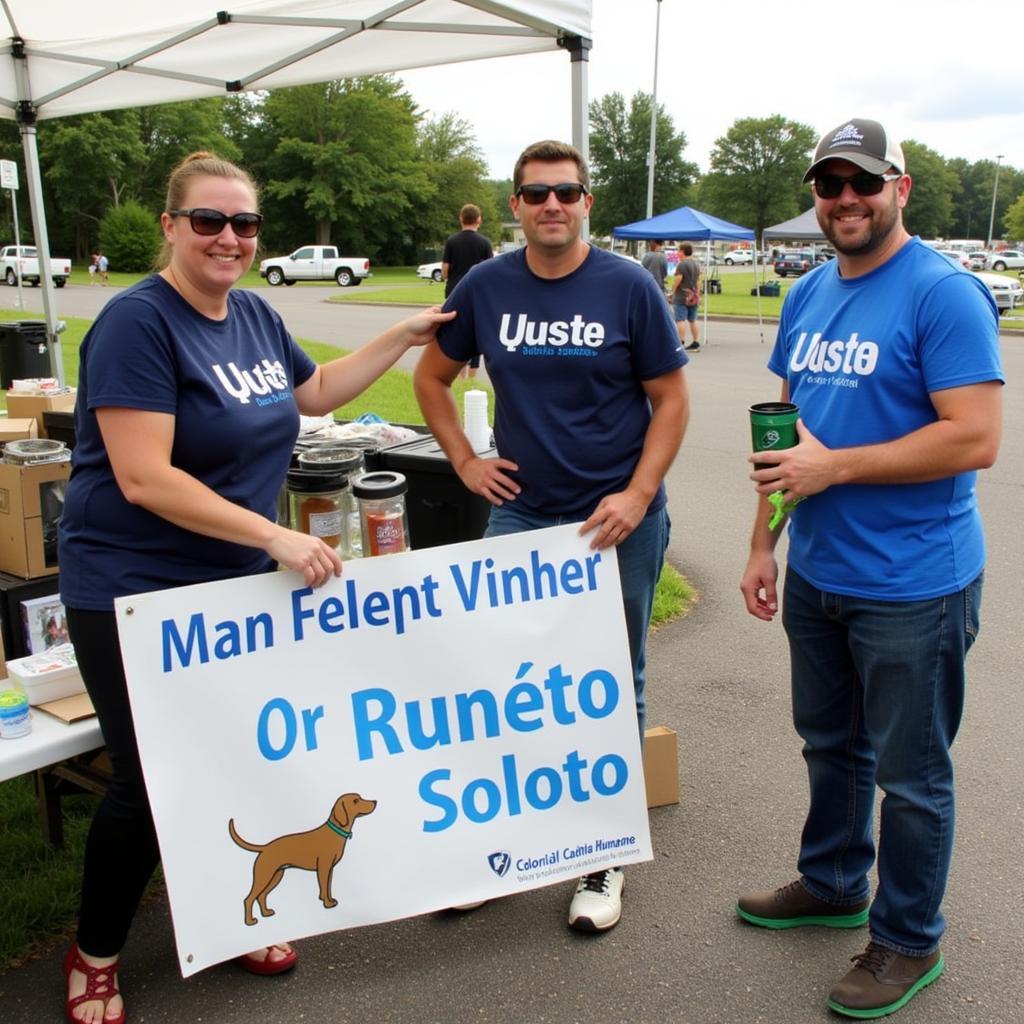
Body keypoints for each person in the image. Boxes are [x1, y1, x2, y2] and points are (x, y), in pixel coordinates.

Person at [58, 151, 452, 1024]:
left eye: (245, 224)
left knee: (238, 759)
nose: (229, 238)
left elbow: (313, 396)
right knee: (148, 779)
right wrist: (275, 534)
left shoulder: (254, 314)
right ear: (170, 225)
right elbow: (144, 478)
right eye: (208, 220)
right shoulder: (136, 324)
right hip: (133, 586)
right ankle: (95, 952)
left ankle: (226, 917)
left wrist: (400, 336)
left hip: (231, 583)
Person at [737, 118, 1004, 1019]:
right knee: (831, 746)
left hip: (915, 584)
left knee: (912, 776)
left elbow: (976, 437)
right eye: (828, 184)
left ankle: (906, 941)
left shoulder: (944, 292)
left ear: (901, 185)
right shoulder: (809, 293)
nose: (844, 198)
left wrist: (837, 467)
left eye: (862, 181)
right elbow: (781, 435)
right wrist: (762, 541)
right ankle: (832, 881)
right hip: (819, 573)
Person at [414, 139, 688, 934]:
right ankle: (509, 849)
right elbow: (432, 377)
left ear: (587, 202)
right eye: (536, 195)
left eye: (566, 193)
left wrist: (638, 495)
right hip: (524, 515)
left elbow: (671, 401)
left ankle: (600, 850)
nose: (552, 207)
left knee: (613, 678)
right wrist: (464, 459)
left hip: (617, 520)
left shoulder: (629, 286)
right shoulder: (487, 285)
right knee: (510, 683)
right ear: (515, 207)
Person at [441, 203, 492, 379]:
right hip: (478, 294)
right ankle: (472, 376)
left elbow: (445, 270)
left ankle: (460, 375)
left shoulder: (452, 241)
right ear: (479, 220)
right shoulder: (484, 243)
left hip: (454, 292)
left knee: (456, 334)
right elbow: (490, 270)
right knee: (476, 333)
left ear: (461, 219)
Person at [670, 242, 701, 351]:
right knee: (692, 320)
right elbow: (698, 281)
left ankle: (681, 342)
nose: (677, 253)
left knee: (680, 320)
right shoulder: (696, 264)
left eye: (678, 251)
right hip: (694, 295)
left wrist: (672, 291)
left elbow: (678, 278)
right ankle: (696, 342)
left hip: (682, 295)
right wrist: (698, 293)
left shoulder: (682, 264)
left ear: (683, 251)